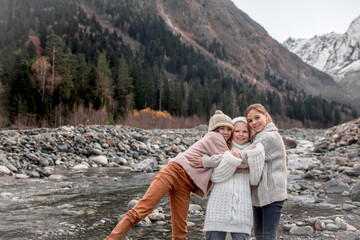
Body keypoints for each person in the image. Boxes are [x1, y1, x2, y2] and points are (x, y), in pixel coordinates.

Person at [104, 110, 234, 240]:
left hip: (185, 185)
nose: (226, 132)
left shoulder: (220, 142)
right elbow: (230, 158)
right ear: (214, 129)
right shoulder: (214, 137)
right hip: (173, 173)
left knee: (180, 230)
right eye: (222, 128)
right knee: (140, 211)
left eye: (229, 129)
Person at [190, 117, 265, 240]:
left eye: (245, 132)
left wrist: (256, 155)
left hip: (242, 208)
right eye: (237, 131)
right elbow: (216, 177)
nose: (241, 135)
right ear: (232, 133)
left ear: (250, 133)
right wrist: (232, 159)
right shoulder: (220, 148)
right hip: (218, 206)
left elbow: (254, 180)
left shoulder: (254, 150)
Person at [245, 104, 287, 240]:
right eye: (250, 121)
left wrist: (210, 160)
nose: (254, 123)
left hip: (272, 193)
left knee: (268, 236)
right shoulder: (259, 136)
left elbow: (244, 158)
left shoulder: (268, 137)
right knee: (259, 235)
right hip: (260, 193)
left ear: (266, 116)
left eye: (257, 117)